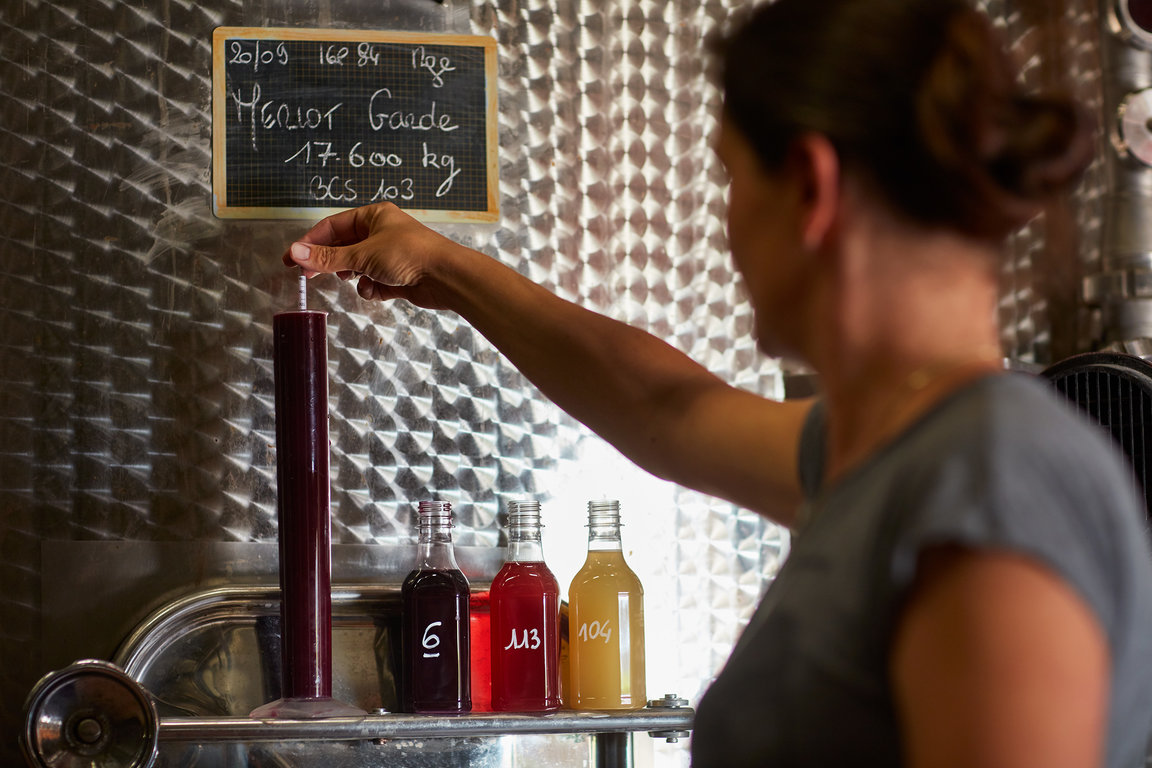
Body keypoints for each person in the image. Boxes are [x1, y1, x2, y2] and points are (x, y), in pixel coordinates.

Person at [283, 0, 1152, 765]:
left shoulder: (994, 480)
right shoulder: (896, 451)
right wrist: (445, 268)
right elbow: (665, 410)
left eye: (734, 177)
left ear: (810, 187)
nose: (728, 228)